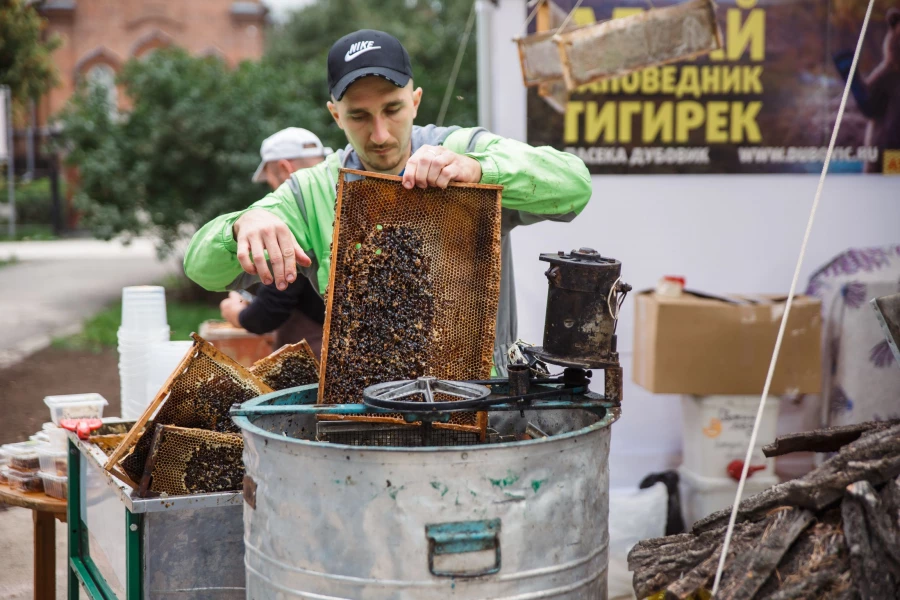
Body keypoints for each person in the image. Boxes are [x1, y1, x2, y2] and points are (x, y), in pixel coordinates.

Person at [186, 29, 593, 375]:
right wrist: (243, 224)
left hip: (483, 398)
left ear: (415, 101)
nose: (379, 134)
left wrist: (478, 170)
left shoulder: (460, 148)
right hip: (367, 408)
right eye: (359, 116)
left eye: (393, 109)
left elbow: (574, 184)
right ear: (335, 115)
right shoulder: (311, 190)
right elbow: (203, 269)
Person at [218, 127, 332, 354]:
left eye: (269, 177)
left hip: (320, 358)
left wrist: (235, 312)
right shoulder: (343, 199)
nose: (270, 187)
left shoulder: (289, 219)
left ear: (284, 169)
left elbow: (269, 312)